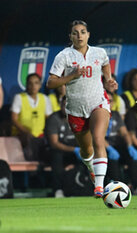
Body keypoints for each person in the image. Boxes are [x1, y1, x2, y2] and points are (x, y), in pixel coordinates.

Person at [46, 20, 118, 198]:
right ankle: (90, 168)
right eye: (75, 33)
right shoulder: (64, 56)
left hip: (98, 102)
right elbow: (51, 82)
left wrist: (108, 79)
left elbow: (105, 63)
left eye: (83, 32)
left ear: (88, 35)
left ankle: (99, 187)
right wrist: (71, 76)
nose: (79, 35)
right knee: (86, 151)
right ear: (70, 36)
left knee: (98, 139)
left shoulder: (99, 52)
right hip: (75, 109)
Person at [104, 91, 137, 195]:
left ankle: (136, 186)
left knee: (134, 154)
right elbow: (97, 137)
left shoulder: (115, 115)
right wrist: (109, 148)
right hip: (103, 146)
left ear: (113, 103)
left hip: (116, 144)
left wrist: (129, 145)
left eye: (110, 101)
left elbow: (125, 133)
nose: (108, 103)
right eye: (106, 100)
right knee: (112, 157)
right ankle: (118, 187)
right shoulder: (98, 115)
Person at [45, 96, 82, 197]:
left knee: (90, 154)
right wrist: (75, 150)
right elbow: (54, 143)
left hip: (75, 150)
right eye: (64, 105)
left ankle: (86, 187)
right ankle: (58, 189)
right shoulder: (54, 118)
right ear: (60, 105)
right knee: (56, 155)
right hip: (58, 150)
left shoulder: (79, 118)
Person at [11, 73, 53, 161]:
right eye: (30, 83)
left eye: (36, 83)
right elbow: (14, 119)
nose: (33, 86)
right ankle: (32, 170)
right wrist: (25, 131)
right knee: (30, 140)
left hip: (40, 136)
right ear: (26, 85)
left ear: (40, 85)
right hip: (22, 135)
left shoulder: (45, 99)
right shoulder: (19, 97)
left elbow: (49, 119)